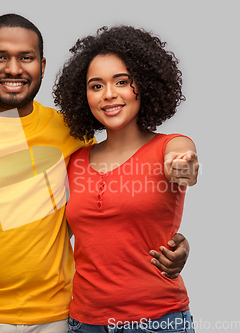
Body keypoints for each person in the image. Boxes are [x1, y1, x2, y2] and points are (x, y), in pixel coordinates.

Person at [0, 14, 191, 332]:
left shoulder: (69, 131)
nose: (13, 69)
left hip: (56, 317)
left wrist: (173, 244)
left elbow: (111, 204)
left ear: (42, 66)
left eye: (25, 58)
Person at [52, 26, 199, 332]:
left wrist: (183, 166)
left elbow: (184, 159)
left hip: (157, 321)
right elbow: (48, 235)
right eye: (96, 86)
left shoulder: (168, 147)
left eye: (122, 82)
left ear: (144, 85)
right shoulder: (73, 162)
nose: (109, 94)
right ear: (84, 96)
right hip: (83, 323)